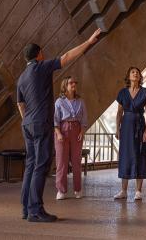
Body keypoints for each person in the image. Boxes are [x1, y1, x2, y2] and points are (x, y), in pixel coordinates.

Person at [16, 29, 101, 223]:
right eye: (42, 52)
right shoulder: (41, 67)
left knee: (30, 164)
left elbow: (20, 104)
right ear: (39, 55)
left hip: (27, 123)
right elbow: (67, 56)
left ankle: (26, 208)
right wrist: (88, 42)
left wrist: (27, 120)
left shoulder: (21, 78)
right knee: (41, 165)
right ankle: (36, 210)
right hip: (40, 122)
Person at [113, 67, 146, 201]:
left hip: (140, 126)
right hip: (126, 126)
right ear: (128, 76)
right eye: (132, 72)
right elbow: (119, 113)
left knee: (140, 155)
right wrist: (117, 129)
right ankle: (123, 191)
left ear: (140, 77)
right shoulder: (123, 92)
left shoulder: (145, 92)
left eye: (137, 72)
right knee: (125, 156)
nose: (135, 73)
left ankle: (138, 191)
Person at [54, 75, 88, 200]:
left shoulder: (81, 101)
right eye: (71, 83)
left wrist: (82, 132)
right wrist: (58, 133)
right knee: (61, 162)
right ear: (65, 86)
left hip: (77, 130)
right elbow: (55, 120)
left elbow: (84, 119)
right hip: (62, 130)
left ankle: (77, 189)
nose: (74, 84)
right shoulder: (59, 101)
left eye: (75, 82)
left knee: (76, 161)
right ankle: (61, 190)